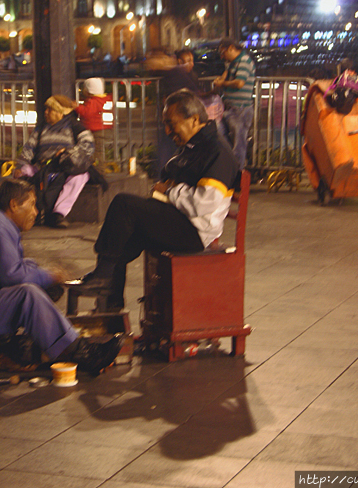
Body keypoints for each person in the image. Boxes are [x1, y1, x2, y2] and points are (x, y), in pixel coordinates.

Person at [0, 179, 123, 376]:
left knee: (39, 286)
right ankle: (83, 352)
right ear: (14, 204)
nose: (36, 212)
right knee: (28, 293)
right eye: (31, 204)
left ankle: (8, 350)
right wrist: (47, 276)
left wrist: (45, 276)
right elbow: (11, 275)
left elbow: (12, 267)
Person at [67, 89, 238, 309]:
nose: (168, 131)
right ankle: (110, 305)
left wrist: (169, 191)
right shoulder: (194, 146)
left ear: (194, 120)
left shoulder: (217, 151)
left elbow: (204, 203)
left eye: (171, 123)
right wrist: (170, 188)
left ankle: (104, 277)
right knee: (121, 237)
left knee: (124, 205)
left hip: (193, 231)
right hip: (177, 217)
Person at [15, 95, 96, 228]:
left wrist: (67, 151)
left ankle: (59, 214)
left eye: (50, 109)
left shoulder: (75, 127)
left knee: (80, 177)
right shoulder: (41, 128)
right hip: (43, 166)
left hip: (66, 168)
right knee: (23, 173)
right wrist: (21, 166)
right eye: (46, 109)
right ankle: (27, 212)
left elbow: (88, 146)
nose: (46, 112)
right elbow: (29, 148)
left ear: (60, 112)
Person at [148, 48, 200, 170]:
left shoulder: (176, 73)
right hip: (176, 117)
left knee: (169, 147)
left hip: (180, 116)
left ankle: (166, 173)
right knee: (169, 146)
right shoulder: (173, 73)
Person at [213, 38, 255, 170]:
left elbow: (239, 83)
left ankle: (236, 175)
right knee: (219, 135)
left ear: (231, 48)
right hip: (229, 107)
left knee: (239, 145)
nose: (222, 56)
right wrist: (221, 79)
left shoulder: (244, 61)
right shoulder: (232, 63)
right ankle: (230, 168)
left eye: (223, 52)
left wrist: (222, 83)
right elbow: (225, 76)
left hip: (240, 109)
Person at [73, 77, 110, 165]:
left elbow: (87, 113)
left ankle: (98, 170)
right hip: (96, 130)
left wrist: (77, 107)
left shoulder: (94, 102)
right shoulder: (97, 100)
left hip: (94, 131)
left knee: (96, 152)